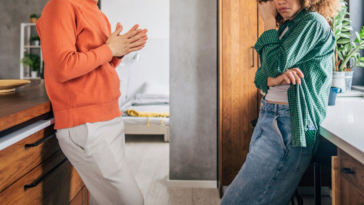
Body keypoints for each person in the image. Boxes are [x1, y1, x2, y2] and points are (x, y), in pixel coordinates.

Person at [221, 0, 340, 204]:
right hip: (271, 117)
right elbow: (261, 74)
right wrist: (272, 80)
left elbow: (274, 64)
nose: (281, 1)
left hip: (289, 124)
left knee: (235, 201)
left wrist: (267, 20)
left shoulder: (312, 22)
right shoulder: (287, 27)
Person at [36, 0, 148, 204]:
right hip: (87, 125)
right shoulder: (60, 5)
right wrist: (109, 49)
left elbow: (100, 64)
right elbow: (62, 67)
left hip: (109, 119)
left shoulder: (95, 11)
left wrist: (119, 51)